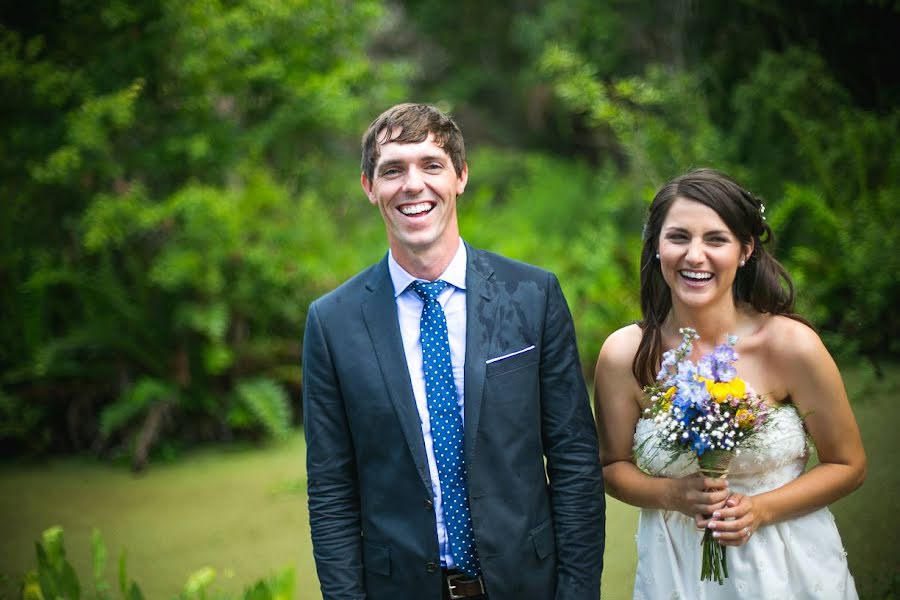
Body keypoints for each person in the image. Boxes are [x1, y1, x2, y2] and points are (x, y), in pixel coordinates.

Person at [302, 103, 605, 600]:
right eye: (392, 170)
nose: (412, 185)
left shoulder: (532, 296)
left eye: (431, 165)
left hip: (528, 584)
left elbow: (573, 462)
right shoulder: (332, 324)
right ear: (368, 187)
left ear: (460, 176)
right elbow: (331, 493)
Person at [593, 168, 866, 599]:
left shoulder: (790, 345)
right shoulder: (624, 355)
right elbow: (612, 468)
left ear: (745, 250)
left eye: (715, 239)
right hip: (677, 568)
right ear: (656, 248)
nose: (694, 256)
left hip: (788, 564)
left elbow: (848, 465)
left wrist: (759, 510)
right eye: (678, 237)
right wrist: (672, 494)